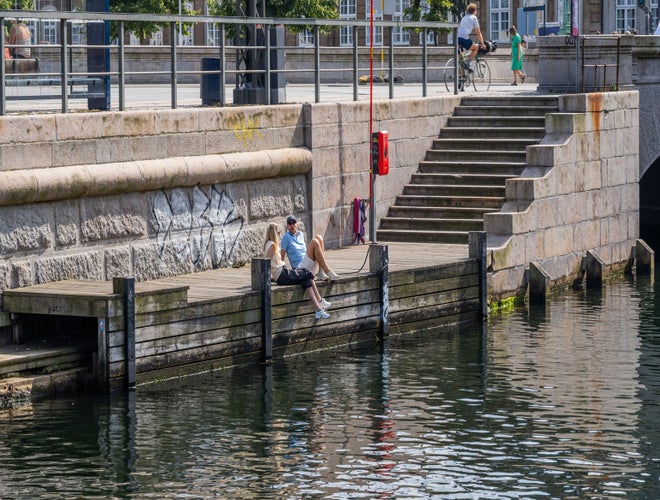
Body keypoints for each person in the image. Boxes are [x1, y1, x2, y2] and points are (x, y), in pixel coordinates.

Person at [264, 223, 331, 320]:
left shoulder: (269, 244)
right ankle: (320, 301)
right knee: (307, 273)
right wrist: (270, 277)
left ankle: (319, 310)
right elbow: (267, 262)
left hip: (282, 273)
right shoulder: (272, 245)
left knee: (306, 279)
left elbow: (271, 262)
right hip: (282, 275)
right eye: (278, 233)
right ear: (275, 233)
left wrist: (272, 276)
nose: (280, 235)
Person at [280, 215, 340, 281]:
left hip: (308, 265)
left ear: (296, 224)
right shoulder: (286, 237)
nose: (292, 225)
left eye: (293, 223)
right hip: (299, 269)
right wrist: (281, 274)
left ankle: (321, 272)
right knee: (314, 241)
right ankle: (328, 271)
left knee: (319, 237)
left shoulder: (301, 234)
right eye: (290, 224)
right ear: (287, 226)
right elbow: (282, 256)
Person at [457, 3, 485, 73]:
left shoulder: (464, 17)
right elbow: (478, 33)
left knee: (460, 60)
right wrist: (482, 43)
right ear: (474, 11)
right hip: (464, 38)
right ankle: (467, 63)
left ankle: (460, 79)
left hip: (457, 38)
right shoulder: (474, 18)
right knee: (476, 48)